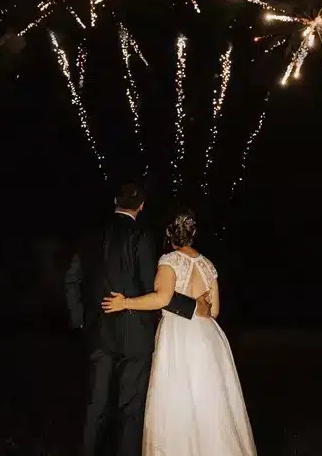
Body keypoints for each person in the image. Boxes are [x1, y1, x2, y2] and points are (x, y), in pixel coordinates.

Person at [65, 183, 211, 456]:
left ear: (114, 201)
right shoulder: (142, 236)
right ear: (141, 206)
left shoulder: (90, 235)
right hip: (136, 336)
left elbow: (72, 279)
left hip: (99, 333)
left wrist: (81, 322)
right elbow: (153, 292)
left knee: (95, 407)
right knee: (130, 412)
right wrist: (193, 307)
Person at [102, 209, 257, 456]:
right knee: (210, 399)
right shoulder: (208, 265)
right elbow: (213, 310)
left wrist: (125, 303)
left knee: (177, 396)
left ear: (169, 234)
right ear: (193, 234)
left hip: (178, 335)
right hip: (208, 337)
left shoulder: (169, 261)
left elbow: (162, 298)